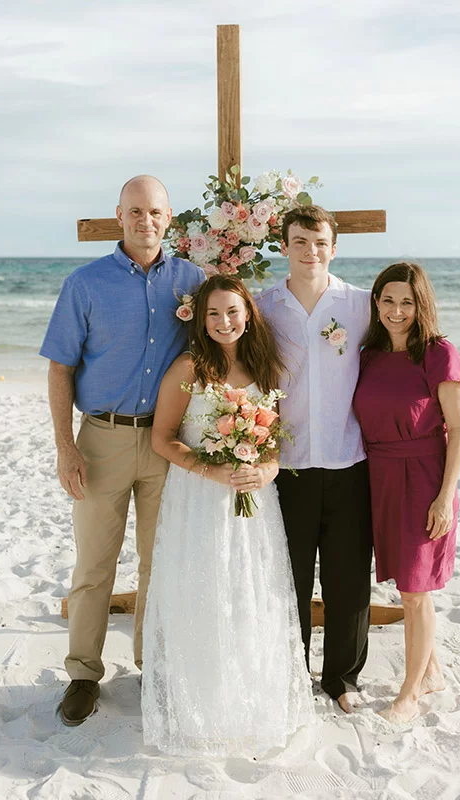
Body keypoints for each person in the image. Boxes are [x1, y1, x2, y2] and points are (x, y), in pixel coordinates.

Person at [256, 206, 460, 714]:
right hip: (286, 465)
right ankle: (290, 675)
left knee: (348, 577)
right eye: (299, 241)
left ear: (334, 247)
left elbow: (417, 344)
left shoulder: (360, 304)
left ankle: (342, 679)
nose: (309, 251)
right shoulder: (263, 307)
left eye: (319, 242)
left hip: (352, 464)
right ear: (284, 245)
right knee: (286, 578)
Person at [40, 175, 205, 726]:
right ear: (119, 216)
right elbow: (60, 367)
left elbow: (229, 339)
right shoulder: (84, 284)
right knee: (94, 564)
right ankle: (84, 674)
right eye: (135, 211)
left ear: (169, 218)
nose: (145, 220)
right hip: (101, 440)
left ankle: (152, 665)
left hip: (167, 442)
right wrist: (67, 447)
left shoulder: (193, 281)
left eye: (155, 211)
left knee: (162, 561)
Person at [141, 275, 315, 757]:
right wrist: (210, 472)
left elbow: (274, 442)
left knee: (251, 593)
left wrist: (267, 470)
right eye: (213, 313)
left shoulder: (263, 365)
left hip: (254, 504)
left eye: (232, 312)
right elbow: (163, 438)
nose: (223, 322)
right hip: (199, 499)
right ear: (201, 319)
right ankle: (203, 706)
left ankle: (251, 699)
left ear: (248, 314)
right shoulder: (189, 367)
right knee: (205, 591)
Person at [353, 262, 460, 723]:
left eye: (407, 301)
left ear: (421, 305)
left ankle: (409, 694)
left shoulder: (439, 353)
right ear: (376, 303)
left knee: (415, 591)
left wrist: (445, 497)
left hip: (424, 478)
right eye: (388, 300)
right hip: (377, 476)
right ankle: (433, 670)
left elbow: (458, 430)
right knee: (405, 583)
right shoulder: (367, 355)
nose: (397, 310)